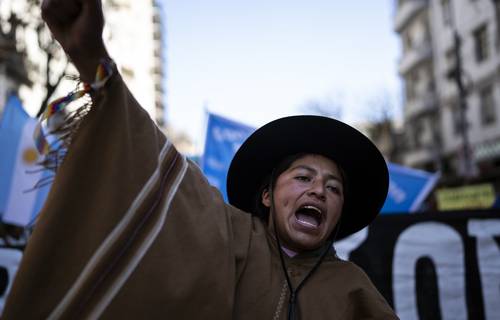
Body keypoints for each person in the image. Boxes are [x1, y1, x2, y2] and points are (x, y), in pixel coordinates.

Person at [3, 0, 399, 319]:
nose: (319, 190)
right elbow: (150, 162)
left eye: (334, 187)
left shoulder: (355, 291)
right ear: (266, 195)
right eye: (303, 177)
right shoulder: (226, 234)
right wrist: (93, 59)